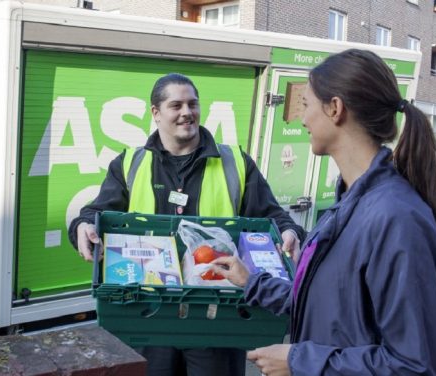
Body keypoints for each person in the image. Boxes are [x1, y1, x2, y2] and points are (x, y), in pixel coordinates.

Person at [212, 49, 436, 376]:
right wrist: (252, 282)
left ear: (335, 108)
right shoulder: (348, 206)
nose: (302, 118)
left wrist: (298, 361)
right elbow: (329, 308)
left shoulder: (395, 219)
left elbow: (414, 366)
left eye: (307, 105)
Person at [68, 72, 305, 376]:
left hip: (217, 319)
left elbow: (274, 216)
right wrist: (82, 227)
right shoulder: (130, 163)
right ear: (155, 113)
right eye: (176, 105)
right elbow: (96, 214)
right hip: (152, 318)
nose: (186, 113)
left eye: (193, 104)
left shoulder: (235, 163)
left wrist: (289, 231)